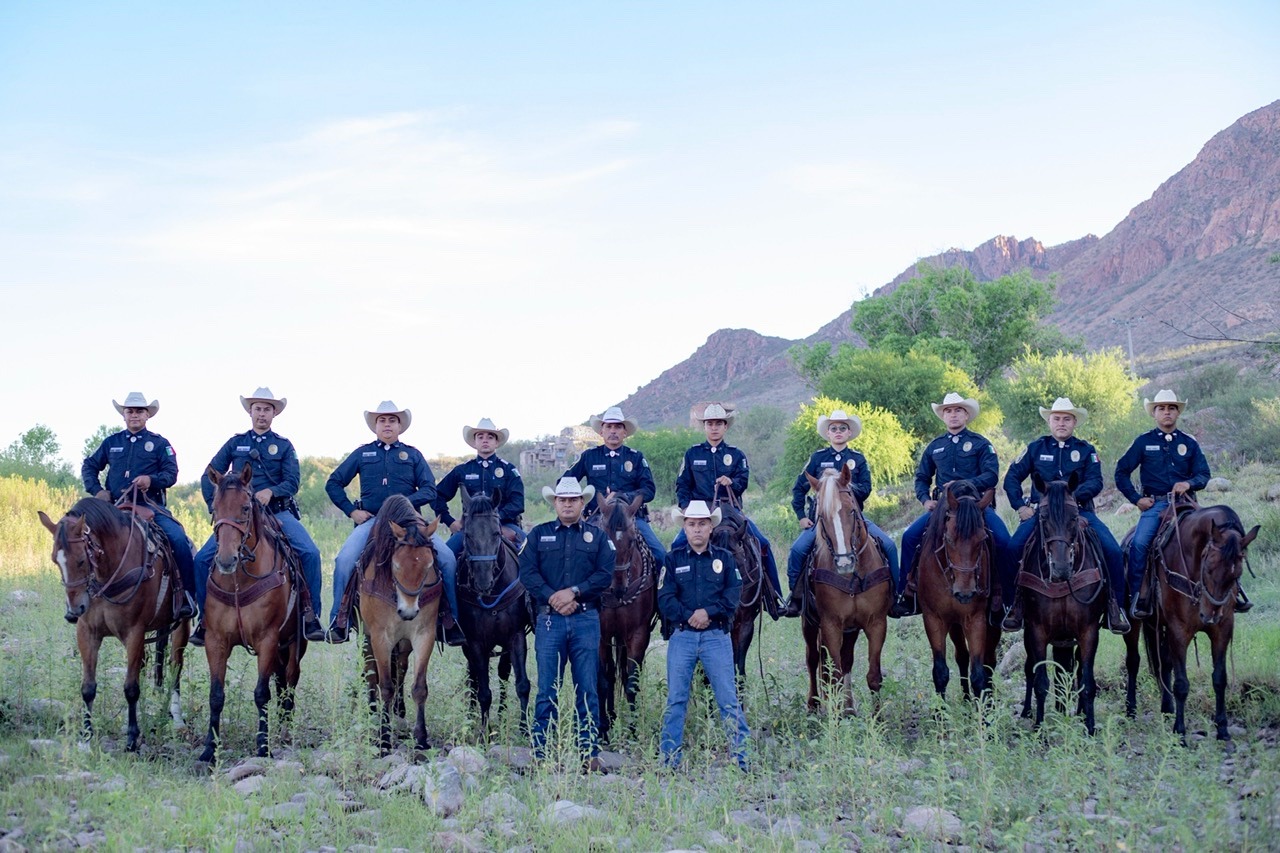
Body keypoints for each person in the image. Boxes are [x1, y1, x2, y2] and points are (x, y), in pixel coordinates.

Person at [192, 388, 325, 646]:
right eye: (257, 409)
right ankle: (204, 618)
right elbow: (209, 474)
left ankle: (311, 615)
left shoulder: (284, 446)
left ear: (274, 414)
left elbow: (293, 482)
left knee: (310, 553)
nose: (261, 414)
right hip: (239, 517)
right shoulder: (235, 443)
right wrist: (217, 507)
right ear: (250, 412)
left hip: (276, 512)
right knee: (201, 559)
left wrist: (271, 491)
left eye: (266, 409)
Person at [324, 401, 456, 643]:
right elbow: (333, 483)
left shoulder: (413, 455)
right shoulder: (362, 454)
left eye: (392, 420)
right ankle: (339, 620)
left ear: (400, 426)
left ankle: (450, 620)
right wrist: (351, 511)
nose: (387, 424)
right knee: (344, 560)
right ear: (375, 426)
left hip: (411, 523)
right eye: (382, 420)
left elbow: (430, 490)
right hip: (372, 520)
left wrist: (401, 503)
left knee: (447, 559)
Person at [1114, 389, 1250, 617]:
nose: (1166, 412)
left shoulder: (1189, 442)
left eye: (1171, 408)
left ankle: (1234, 593)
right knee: (1139, 544)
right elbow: (1121, 472)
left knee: (1222, 542)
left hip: (1187, 505)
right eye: (1161, 408)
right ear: (1154, 413)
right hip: (1157, 506)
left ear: (1178, 413)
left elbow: (1203, 474)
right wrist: (1136, 499)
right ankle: (1138, 597)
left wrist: (1188, 483)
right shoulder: (1143, 442)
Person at [1002, 397, 1130, 634]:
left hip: (1078, 511)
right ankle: (1012, 606)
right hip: (1042, 514)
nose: (1061, 423)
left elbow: (1096, 480)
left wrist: (1069, 497)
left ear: (1074, 422)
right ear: (1049, 422)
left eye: (1067, 419)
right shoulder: (1035, 448)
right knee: (1012, 549)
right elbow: (1011, 478)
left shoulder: (1086, 450)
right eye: (1057, 419)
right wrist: (1020, 506)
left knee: (1113, 550)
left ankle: (1116, 607)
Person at [518, 477, 613, 772]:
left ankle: (588, 752)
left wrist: (574, 592)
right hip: (550, 620)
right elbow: (527, 572)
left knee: (587, 688)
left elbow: (605, 574)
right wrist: (553, 596)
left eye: (573, 500)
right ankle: (542, 752)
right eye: (563, 500)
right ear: (555, 503)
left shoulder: (598, 538)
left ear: (582, 503)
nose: (568, 504)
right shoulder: (538, 535)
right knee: (547, 688)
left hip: (585, 619)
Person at [891, 392, 1011, 620]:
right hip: (943, 508)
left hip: (976, 507)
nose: (953, 414)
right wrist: (925, 499)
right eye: (948, 411)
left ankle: (1006, 599)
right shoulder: (934, 447)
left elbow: (991, 475)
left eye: (958, 410)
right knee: (909, 537)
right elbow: (921, 478)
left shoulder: (981, 444)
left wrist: (963, 484)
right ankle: (906, 593)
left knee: (1004, 542)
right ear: (943, 416)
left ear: (966, 415)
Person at [81, 391, 196, 619]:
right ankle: (82, 595)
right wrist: (98, 491)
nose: (134, 415)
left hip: (151, 507)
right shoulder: (111, 442)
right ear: (124, 415)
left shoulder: (160, 443)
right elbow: (89, 466)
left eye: (139, 411)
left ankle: (187, 596)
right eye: (130, 411)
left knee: (178, 539)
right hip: (114, 508)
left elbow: (171, 473)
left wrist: (151, 480)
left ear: (147, 415)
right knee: (82, 540)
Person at [657, 500, 750, 771]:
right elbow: (665, 598)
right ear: (684, 528)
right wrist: (690, 615)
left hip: (716, 637)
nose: (697, 529)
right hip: (682, 637)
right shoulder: (672, 559)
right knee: (676, 699)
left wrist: (707, 613)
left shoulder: (725, 559)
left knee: (728, 699)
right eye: (691, 524)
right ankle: (669, 761)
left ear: (711, 527)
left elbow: (732, 596)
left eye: (702, 524)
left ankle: (742, 759)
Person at [783, 409, 899, 617]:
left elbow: (866, 488)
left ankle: (896, 595)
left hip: (854, 518)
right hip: (823, 521)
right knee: (798, 550)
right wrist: (801, 516)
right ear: (828, 433)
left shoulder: (858, 459)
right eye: (834, 428)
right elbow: (799, 488)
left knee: (889, 545)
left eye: (842, 428)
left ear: (849, 433)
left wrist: (843, 487)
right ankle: (796, 598)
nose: (838, 431)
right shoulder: (817, 458)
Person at [673, 402, 783, 617]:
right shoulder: (692, 454)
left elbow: (743, 480)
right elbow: (682, 484)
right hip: (701, 510)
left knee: (762, 543)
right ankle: (672, 603)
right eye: (710, 424)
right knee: (677, 545)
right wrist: (686, 508)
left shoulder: (737, 454)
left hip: (730, 508)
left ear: (725, 426)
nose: (714, 427)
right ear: (704, 426)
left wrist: (731, 482)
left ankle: (773, 597)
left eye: (718, 423)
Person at [432, 417, 526, 643]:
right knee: (443, 560)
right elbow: (437, 495)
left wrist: (494, 519)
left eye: (490, 436)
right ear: (474, 442)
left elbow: (518, 502)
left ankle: (532, 612)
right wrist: (450, 521)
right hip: (469, 531)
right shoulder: (462, 470)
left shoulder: (508, 470)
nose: (485, 440)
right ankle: (449, 617)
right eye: (480, 436)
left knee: (532, 553)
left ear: (496, 442)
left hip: (505, 526)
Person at [561, 406, 664, 565]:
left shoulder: (636, 457)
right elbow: (564, 483)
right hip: (597, 517)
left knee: (660, 554)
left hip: (631, 518)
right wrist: (582, 500)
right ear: (601, 432)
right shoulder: (589, 456)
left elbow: (649, 490)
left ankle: (660, 583)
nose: (613, 431)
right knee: (569, 556)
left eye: (617, 427)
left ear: (625, 432)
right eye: (609, 427)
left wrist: (624, 497)